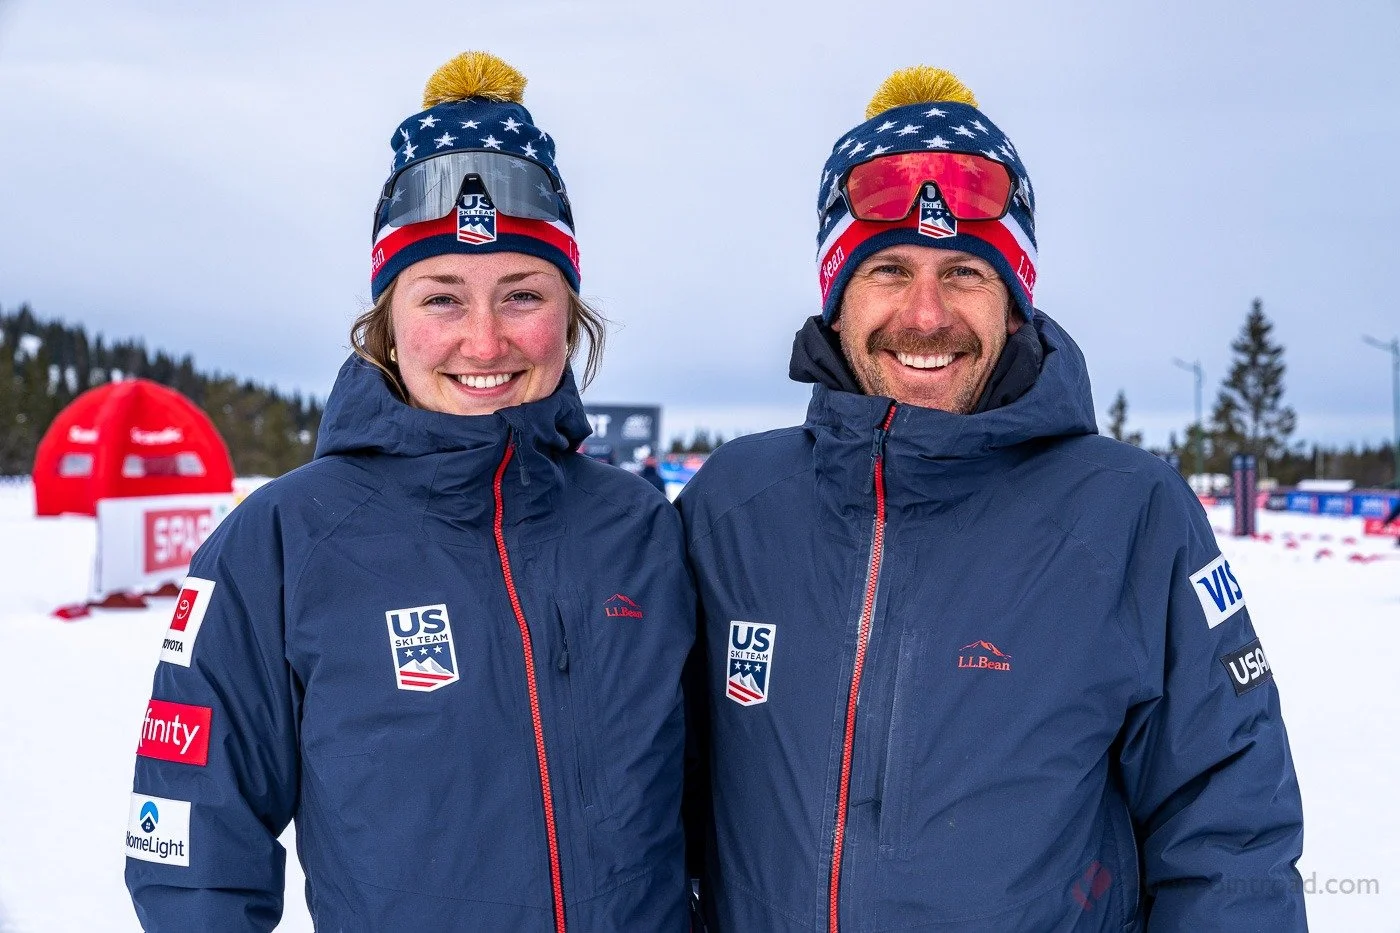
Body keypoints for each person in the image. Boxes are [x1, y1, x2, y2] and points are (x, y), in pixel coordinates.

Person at [677, 67, 1306, 931]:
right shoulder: (734, 508)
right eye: (888, 268)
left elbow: (1230, 834)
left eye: (965, 272)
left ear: (1015, 302)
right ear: (836, 295)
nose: (926, 315)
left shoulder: (1130, 513)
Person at [126, 52, 693, 931]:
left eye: (522, 293)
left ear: (570, 312)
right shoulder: (282, 540)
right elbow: (192, 845)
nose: (483, 338)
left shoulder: (641, 530)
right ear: (387, 317)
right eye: (441, 297)